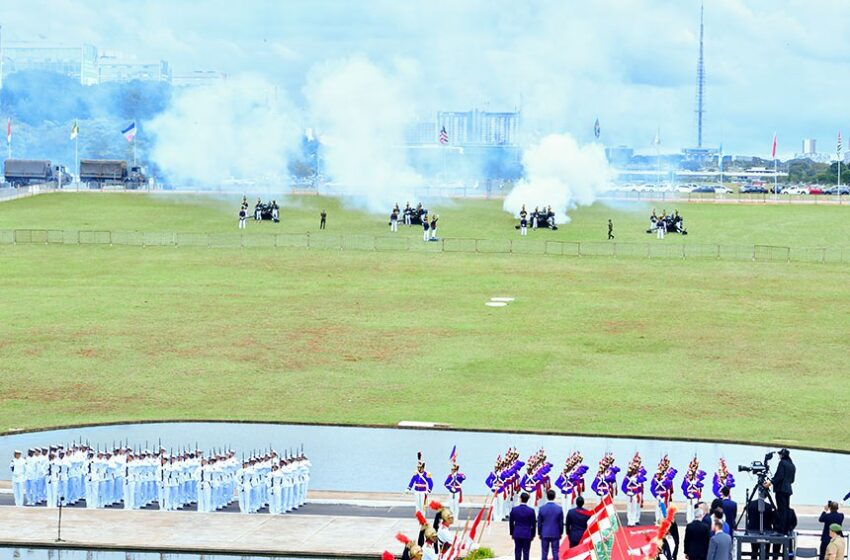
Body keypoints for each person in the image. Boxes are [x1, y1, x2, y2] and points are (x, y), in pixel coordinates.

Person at [765, 449, 795, 520]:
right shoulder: (792, 465)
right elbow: (792, 480)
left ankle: (781, 528)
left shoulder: (782, 463)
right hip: (788, 490)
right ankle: (786, 528)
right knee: (786, 509)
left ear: (782, 455)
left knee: (781, 510)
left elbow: (779, 476)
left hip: (781, 490)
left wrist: (770, 483)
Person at [509, 492, 536, 560]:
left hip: (517, 533)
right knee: (526, 552)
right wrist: (533, 535)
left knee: (517, 551)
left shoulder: (514, 509)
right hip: (527, 534)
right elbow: (533, 524)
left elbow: (511, 522)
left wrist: (512, 533)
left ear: (520, 499)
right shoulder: (531, 511)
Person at [538, 489, 563, 560]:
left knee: (544, 552)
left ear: (546, 496)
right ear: (554, 496)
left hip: (545, 532)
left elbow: (539, 523)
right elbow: (561, 523)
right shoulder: (559, 508)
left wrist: (539, 533)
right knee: (555, 552)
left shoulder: (542, 508)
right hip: (555, 533)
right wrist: (560, 532)